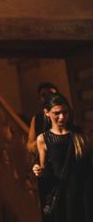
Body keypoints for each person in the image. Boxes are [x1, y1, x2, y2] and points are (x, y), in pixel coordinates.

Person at [32, 92, 93, 221]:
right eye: (57, 113)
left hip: (84, 192)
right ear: (46, 112)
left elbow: (88, 166)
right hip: (63, 194)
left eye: (65, 112)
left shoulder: (78, 134)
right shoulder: (43, 139)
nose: (62, 117)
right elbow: (45, 172)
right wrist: (38, 170)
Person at [27, 82, 58, 154]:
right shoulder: (36, 119)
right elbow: (29, 146)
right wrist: (42, 141)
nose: (48, 97)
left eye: (51, 94)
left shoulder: (65, 114)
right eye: (43, 95)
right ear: (40, 98)